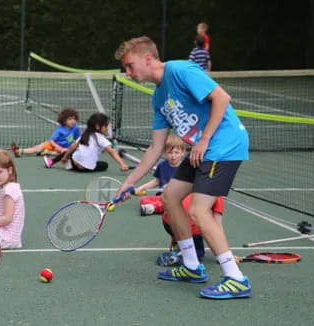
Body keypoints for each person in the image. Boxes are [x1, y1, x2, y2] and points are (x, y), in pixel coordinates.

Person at [114, 36, 251, 299]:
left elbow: (222, 98)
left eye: (130, 66)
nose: (127, 72)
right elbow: (155, 149)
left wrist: (206, 139)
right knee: (169, 196)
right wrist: (129, 182)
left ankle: (235, 278)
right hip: (203, 148)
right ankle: (191, 265)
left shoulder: (181, 70)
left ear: (148, 58)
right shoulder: (158, 97)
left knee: (200, 210)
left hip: (223, 144)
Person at [43, 113, 129, 172]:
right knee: (104, 165)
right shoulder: (101, 138)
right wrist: (122, 164)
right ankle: (72, 164)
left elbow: (72, 147)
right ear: (97, 127)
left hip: (75, 163)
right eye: (105, 126)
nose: (106, 128)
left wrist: (64, 157)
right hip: (85, 168)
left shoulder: (85, 134)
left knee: (72, 149)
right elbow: (112, 151)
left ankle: (52, 162)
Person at [137, 135, 185, 216]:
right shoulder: (162, 166)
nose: (173, 155)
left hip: (177, 198)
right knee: (144, 199)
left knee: (177, 203)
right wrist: (142, 188)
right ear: (165, 152)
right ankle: (157, 207)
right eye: (170, 152)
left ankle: (154, 208)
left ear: (183, 152)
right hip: (162, 196)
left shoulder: (184, 168)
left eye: (176, 152)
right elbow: (157, 181)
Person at [11, 108, 80, 157]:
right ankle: (19, 151)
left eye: (74, 119)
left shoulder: (75, 128)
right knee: (37, 148)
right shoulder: (59, 130)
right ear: (64, 121)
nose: (73, 121)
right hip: (53, 144)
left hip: (65, 148)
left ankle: (48, 153)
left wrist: (71, 147)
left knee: (67, 152)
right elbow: (52, 141)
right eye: (70, 119)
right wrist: (58, 147)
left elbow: (79, 140)